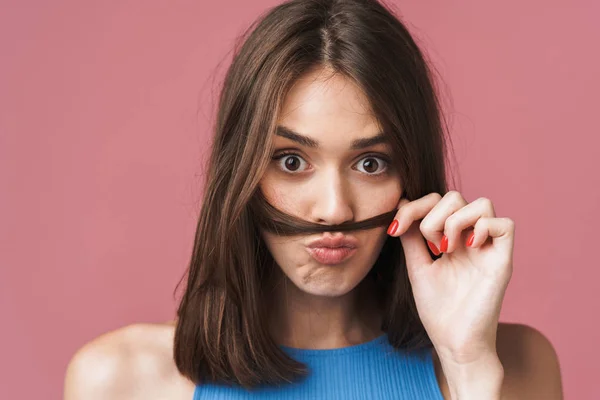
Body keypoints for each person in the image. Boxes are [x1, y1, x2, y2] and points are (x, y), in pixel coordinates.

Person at [63, 0, 563, 398]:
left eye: (371, 163)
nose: (334, 210)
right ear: (239, 171)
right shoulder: (121, 382)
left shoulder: (514, 368)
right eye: (291, 161)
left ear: (411, 174)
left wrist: (467, 369)